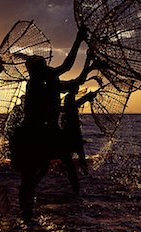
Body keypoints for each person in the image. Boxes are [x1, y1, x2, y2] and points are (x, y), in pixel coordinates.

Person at [10, 27, 90, 221]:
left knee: (46, 167)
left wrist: (88, 63)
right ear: (36, 70)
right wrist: (78, 40)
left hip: (46, 133)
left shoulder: (47, 82)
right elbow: (66, 67)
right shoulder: (37, 81)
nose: (47, 67)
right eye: (43, 65)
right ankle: (26, 214)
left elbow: (74, 81)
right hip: (33, 134)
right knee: (30, 176)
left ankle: (29, 209)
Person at [61, 85, 96, 175]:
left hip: (70, 131)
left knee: (71, 155)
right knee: (78, 154)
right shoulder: (69, 98)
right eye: (76, 88)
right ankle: (83, 174)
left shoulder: (69, 97)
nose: (77, 89)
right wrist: (87, 97)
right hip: (72, 132)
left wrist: (86, 97)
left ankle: (66, 173)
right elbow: (74, 105)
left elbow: (75, 105)